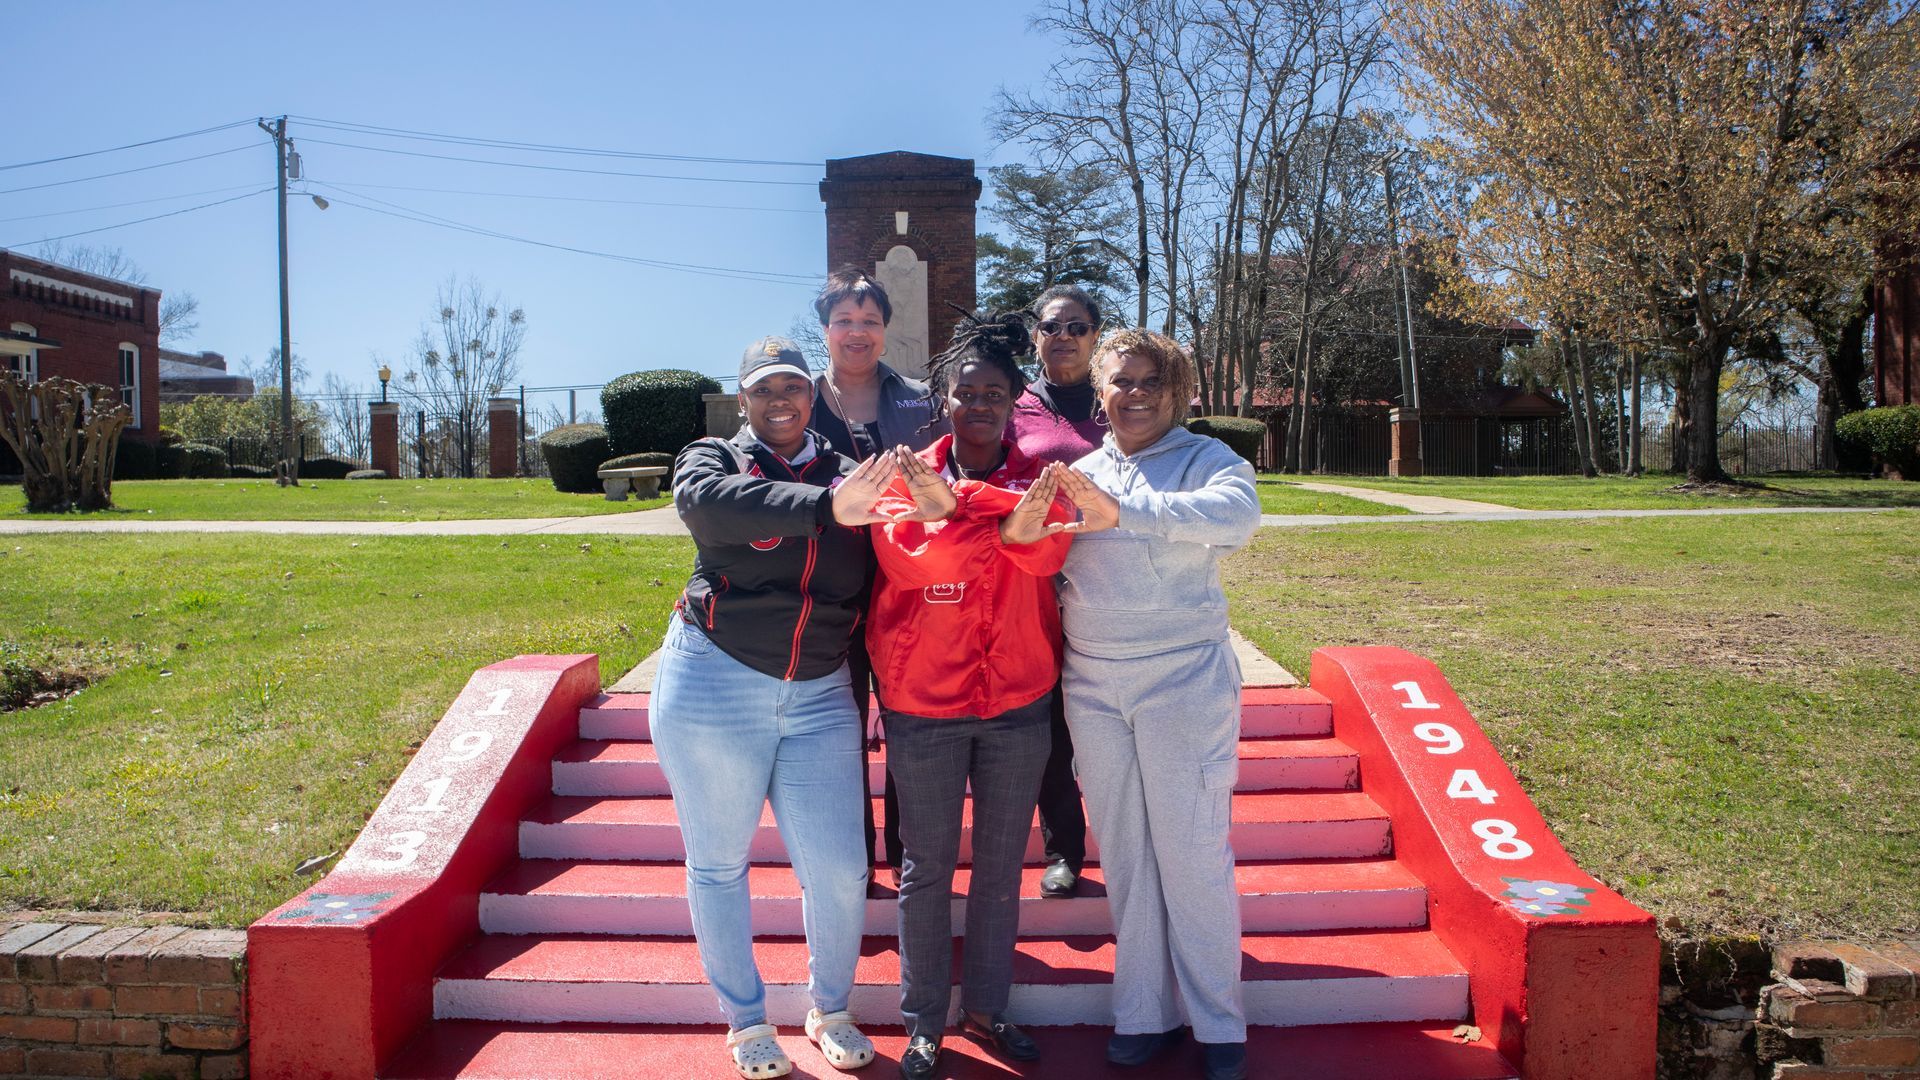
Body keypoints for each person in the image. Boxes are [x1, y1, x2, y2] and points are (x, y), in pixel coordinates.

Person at [652, 336, 945, 1079]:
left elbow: (921, 545)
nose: (779, 401)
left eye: (791, 388)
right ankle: (746, 1022)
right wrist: (825, 509)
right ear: (743, 400)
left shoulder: (855, 472)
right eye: (762, 390)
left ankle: (830, 1007)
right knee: (718, 865)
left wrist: (938, 510)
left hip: (819, 693)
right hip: (716, 680)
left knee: (841, 870)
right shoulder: (713, 458)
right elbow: (706, 508)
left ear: (812, 397)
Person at [865, 313, 1077, 1080]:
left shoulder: (1043, 480)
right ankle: (924, 1021)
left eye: (995, 393)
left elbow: (1040, 553)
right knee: (924, 868)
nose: (980, 405)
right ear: (944, 400)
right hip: (925, 704)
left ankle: (989, 1009)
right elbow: (914, 567)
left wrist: (957, 515)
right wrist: (982, 516)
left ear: (1014, 401)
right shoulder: (903, 476)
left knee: (996, 867)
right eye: (966, 392)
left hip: (1018, 701)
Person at [1051, 329, 1262, 1080]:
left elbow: (1234, 522)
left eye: (1150, 383)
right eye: (1119, 382)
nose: (1133, 395)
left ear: (1176, 392)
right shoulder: (1077, 472)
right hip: (1095, 686)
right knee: (1130, 857)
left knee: (1192, 851)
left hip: (1183, 680)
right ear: (1098, 392)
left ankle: (1219, 1023)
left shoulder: (1210, 461)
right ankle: (1144, 1011)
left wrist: (1125, 511)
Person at [806, 267, 946, 885]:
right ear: (825, 329)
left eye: (869, 321)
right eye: (844, 320)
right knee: (838, 728)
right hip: (825, 591)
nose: (856, 332)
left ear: (886, 331)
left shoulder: (920, 399)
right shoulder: (795, 398)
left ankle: (907, 854)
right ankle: (853, 860)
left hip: (907, 590)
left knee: (907, 724)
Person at [1005, 284, 1104, 900]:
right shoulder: (1014, 400)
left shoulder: (1121, 400)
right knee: (1051, 727)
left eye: (1077, 326)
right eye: (1051, 326)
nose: (1063, 336)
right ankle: (1063, 849)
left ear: (1096, 336)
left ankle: (1131, 842)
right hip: (1036, 581)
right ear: (1034, 335)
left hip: (1107, 579)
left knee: (1101, 721)